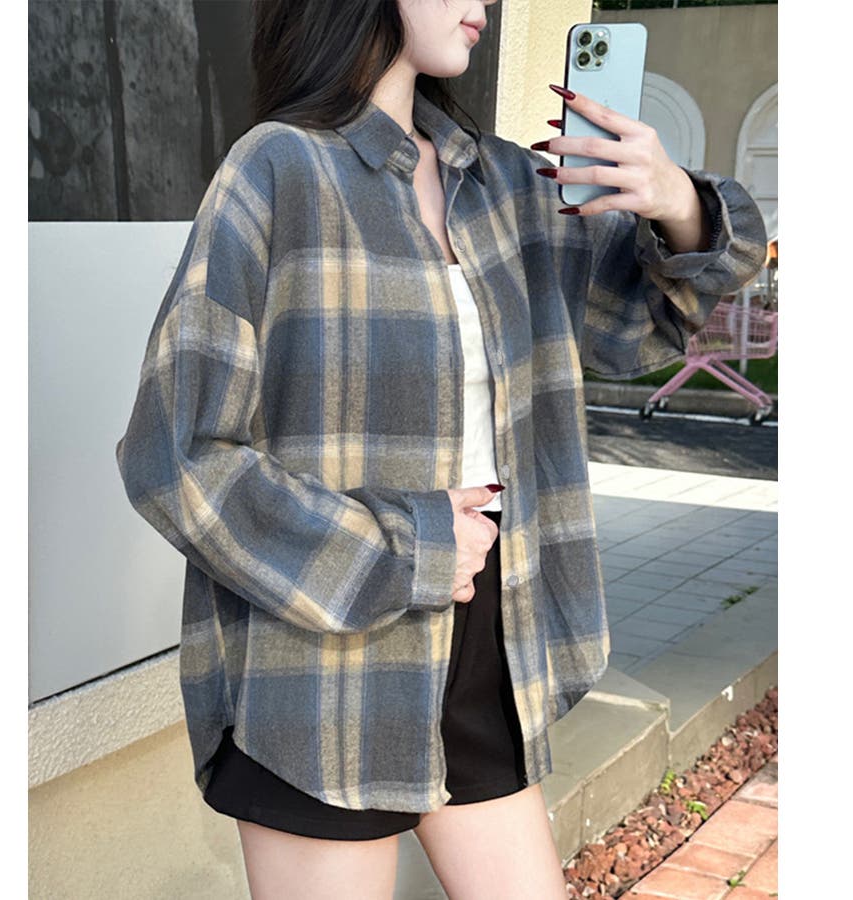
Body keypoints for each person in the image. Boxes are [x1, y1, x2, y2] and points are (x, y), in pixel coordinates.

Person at [115, 1, 768, 897]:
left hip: (490, 637)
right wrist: (410, 546)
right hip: (324, 661)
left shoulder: (508, 184)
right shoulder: (276, 170)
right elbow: (175, 455)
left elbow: (637, 328)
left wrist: (679, 205)